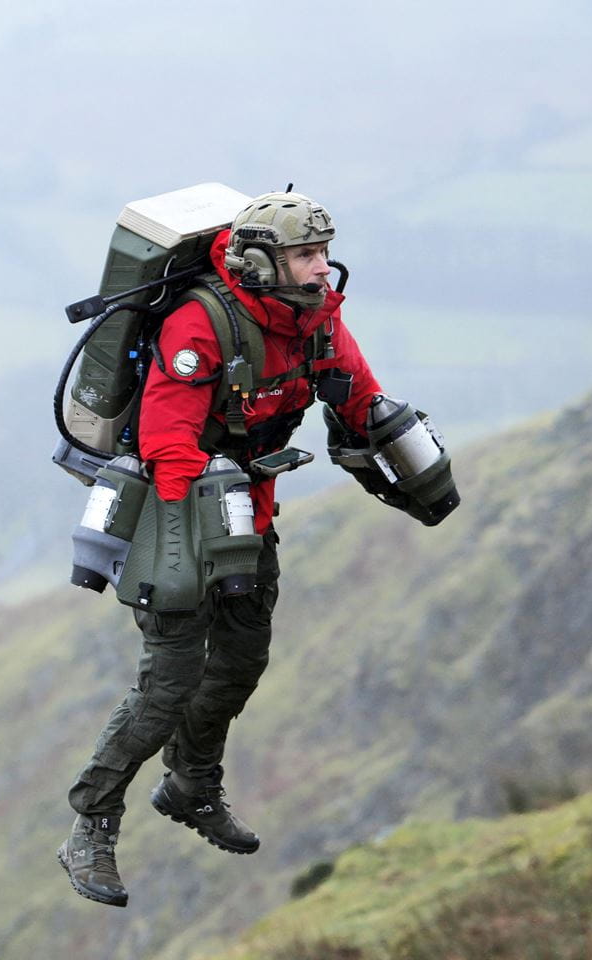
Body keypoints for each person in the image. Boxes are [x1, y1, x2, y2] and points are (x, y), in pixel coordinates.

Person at [58, 191, 386, 908]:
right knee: (168, 683)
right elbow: (167, 442)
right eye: (306, 255)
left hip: (249, 516)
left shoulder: (317, 319)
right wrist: (204, 547)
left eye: (324, 253)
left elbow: (358, 392)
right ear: (261, 262)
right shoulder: (199, 324)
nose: (322, 268)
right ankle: (91, 823)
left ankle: (190, 786)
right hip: (174, 518)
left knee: (241, 660)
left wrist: (391, 440)